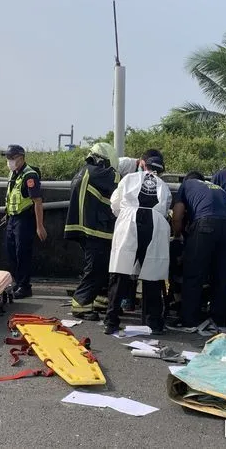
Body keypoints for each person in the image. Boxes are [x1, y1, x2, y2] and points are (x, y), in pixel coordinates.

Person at [104, 150, 171, 335]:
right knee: (153, 277)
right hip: (156, 225)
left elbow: (115, 204)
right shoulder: (164, 186)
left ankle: (111, 322)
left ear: (143, 164)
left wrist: (125, 215)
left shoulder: (129, 179)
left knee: (120, 274)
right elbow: (165, 210)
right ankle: (154, 323)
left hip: (129, 222)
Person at [169, 171, 226, 329]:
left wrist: (177, 236)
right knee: (221, 275)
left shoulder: (186, 185)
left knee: (193, 272)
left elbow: (177, 215)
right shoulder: (217, 188)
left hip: (206, 223)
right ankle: (220, 319)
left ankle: (189, 318)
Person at [64, 143, 120, 320]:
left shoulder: (84, 171)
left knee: (102, 266)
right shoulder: (99, 173)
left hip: (83, 227)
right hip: (95, 229)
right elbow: (120, 181)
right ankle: (81, 304)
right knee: (96, 268)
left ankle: (100, 299)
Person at [2, 144, 47, 299]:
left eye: (11, 158)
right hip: (12, 219)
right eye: (7, 158)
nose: (9, 161)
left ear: (20, 158)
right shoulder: (13, 174)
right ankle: (18, 282)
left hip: (25, 219)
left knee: (23, 253)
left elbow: (37, 201)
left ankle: (25, 286)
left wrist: (39, 226)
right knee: (11, 252)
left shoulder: (30, 176)